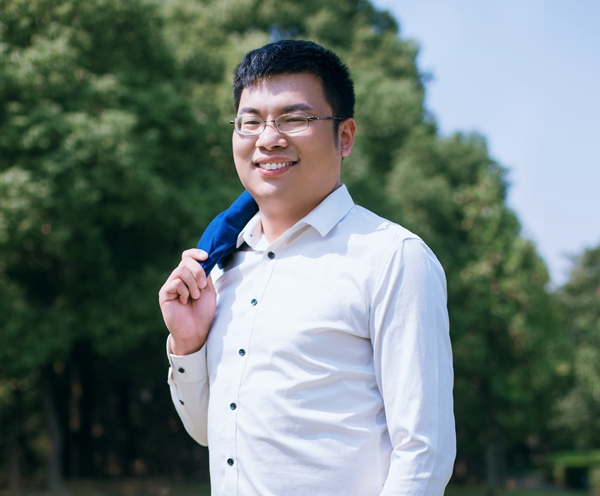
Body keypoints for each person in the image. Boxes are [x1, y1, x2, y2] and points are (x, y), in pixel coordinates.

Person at [159, 39, 455, 495]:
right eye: (250, 122)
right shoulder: (221, 267)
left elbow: (423, 451)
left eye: (294, 119)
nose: (268, 138)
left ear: (345, 136)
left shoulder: (392, 257)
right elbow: (210, 433)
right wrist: (189, 343)